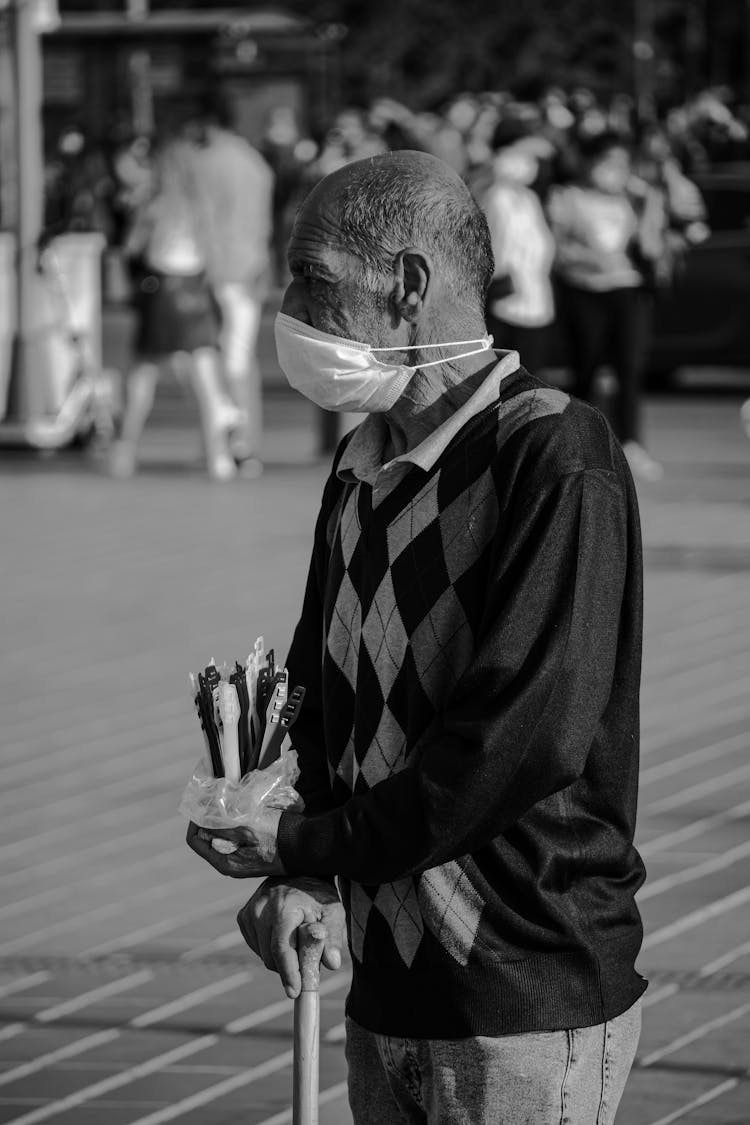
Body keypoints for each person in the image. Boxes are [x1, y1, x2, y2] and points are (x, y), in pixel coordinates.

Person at [187, 150, 647, 1124]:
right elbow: (319, 695)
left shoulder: (554, 454)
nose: (290, 308)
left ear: (406, 284)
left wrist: (310, 839)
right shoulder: (360, 463)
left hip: (518, 997)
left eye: (314, 278)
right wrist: (305, 873)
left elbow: (519, 738)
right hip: (387, 991)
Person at [109, 138, 242, 481]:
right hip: (195, 291)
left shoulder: (154, 203)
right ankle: (218, 456)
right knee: (204, 376)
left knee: (142, 374)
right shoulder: (202, 206)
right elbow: (214, 256)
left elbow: (131, 246)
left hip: (161, 293)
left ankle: (126, 450)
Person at [547, 130, 664, 482]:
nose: (614, 170)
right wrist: (588, 262)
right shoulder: (566, 197)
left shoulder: (632, 200)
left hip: (626, 290)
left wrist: (651, 203)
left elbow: (650, 247)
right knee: (587, 367)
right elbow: (556, 248)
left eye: (621, 163)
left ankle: (630, 442)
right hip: (585, 290)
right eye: (607, 161)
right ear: (589, 162)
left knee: (630, 367)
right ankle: (579, 442)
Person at [186, 98, 275, 476]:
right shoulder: (255, 163)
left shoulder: (205, 164)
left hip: (217, 270)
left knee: (218, 359)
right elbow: (264, 221)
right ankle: (247, 442)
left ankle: (227, 442)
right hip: (250, 267)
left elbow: (201, 222)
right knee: (241, 357)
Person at [481, 118, 556, 374]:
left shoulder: (529, 198)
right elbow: (494, 252)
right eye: (522, 154)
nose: (531, 163)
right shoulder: (496, 195)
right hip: (504, 304)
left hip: (534, 303)